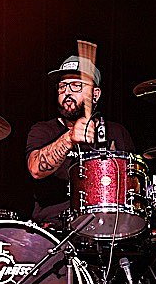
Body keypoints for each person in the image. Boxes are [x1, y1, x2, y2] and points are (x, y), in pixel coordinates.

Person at [26, 54, 135, 228]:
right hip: (55, 229)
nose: (67, 92)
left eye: (76, 85)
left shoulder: (117, 132)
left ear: (95, 94)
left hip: (108, 227)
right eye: (62, 86)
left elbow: (133, 184)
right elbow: (35, 169)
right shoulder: (43, 130)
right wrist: (69, 138)